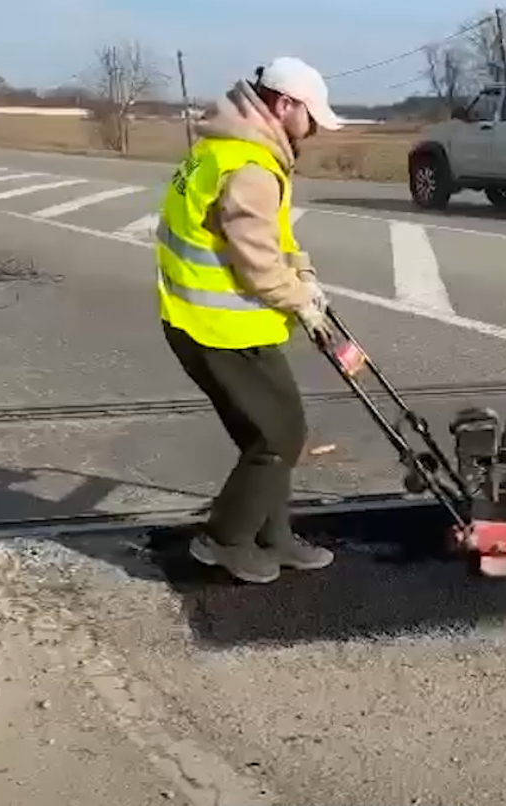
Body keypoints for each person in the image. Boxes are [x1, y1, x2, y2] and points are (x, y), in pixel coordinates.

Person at [156, 57, 342, 584]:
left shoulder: (229, 148)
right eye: (311, 116)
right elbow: (258, 263)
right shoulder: (251, 167)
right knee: (279, 435)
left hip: (204, 321)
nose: (313, 129)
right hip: (220, 327)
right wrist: (298, 300)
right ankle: (225, 540)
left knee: (266, 435)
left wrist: (305, 275)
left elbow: (275, 238)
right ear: (284, 106)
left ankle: (273, 536)